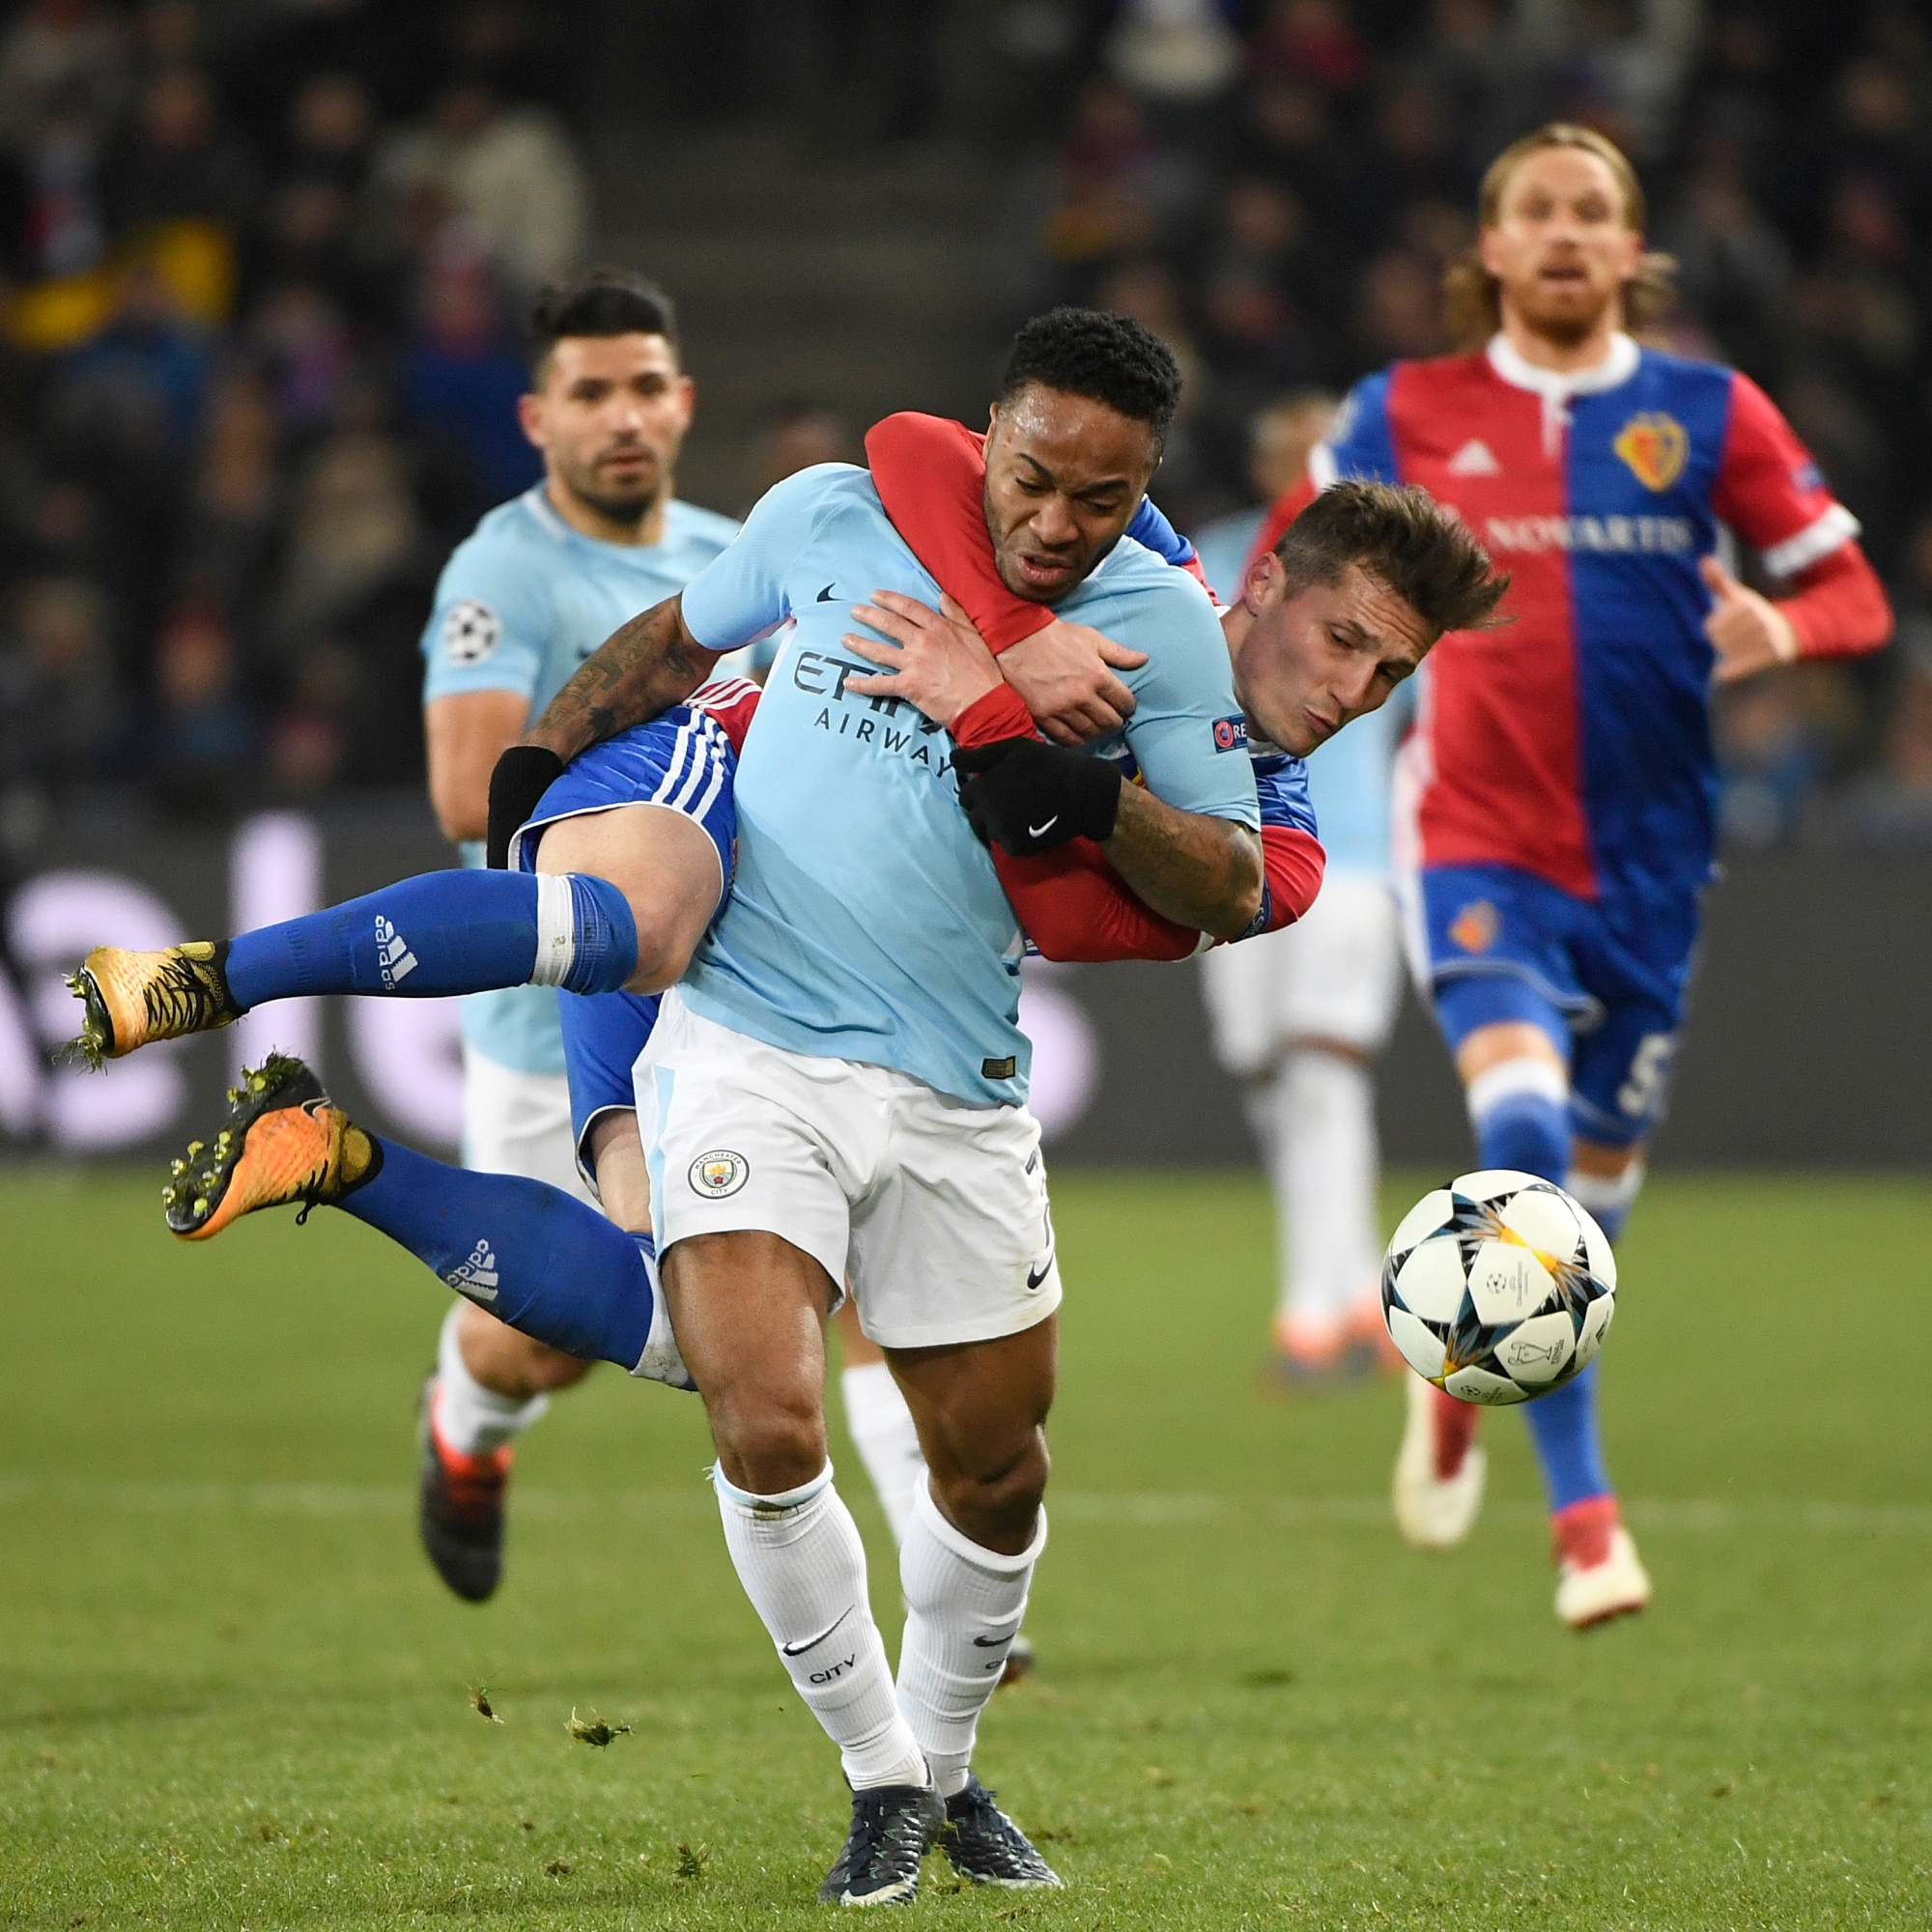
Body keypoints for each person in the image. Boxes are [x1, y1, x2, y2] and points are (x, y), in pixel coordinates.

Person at [78, 314, 1502, 1907]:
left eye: (1397, 674)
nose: (1361, 692)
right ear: (1263, 580)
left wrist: (1007, 713)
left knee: (722, 1352)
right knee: (715, 1246)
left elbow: (1188, 887)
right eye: (1345, 645)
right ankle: (219, 980)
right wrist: (551, 762)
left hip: (941, 1059)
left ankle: (344, 1170)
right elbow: (895, 465)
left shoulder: (1208, 713)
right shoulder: (964, 511)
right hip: (714, 880)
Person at [1247, 123, 1894, 1628]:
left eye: (1591, 212)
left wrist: (1783, 630)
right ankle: (1588, 1522)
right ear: (1489, 248)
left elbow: (1851, 585)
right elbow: (1287, 569)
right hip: (1477, 842)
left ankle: (1456, 1384)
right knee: (1521, 1118)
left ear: (1628, 248)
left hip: (1655, 870)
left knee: (1585, 1208)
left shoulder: (1706, 410)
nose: (1562, 233)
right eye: (1534, 210)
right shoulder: (1404, 409)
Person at [414, 265, 735, 1603]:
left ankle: (966, 1621)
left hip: (720, 1006)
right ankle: (465, 1421)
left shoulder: (738, 559)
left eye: (645, 388)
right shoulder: (505, 568)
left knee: (823, 1297)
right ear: (537, 417)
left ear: (684, 403)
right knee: (550, 1336)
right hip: (548, 1017)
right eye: (591, 392)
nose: (624, 417)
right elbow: (465, 792)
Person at [1193, 392, 1409, 1386]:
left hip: (1350, 855)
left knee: (1321, 1073)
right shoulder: (1222, 556)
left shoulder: (1395, 591)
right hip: (1228, 851)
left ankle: (1310, 1315)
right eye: (1286, 445)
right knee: (1267, 1077)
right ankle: (1361, 1292)